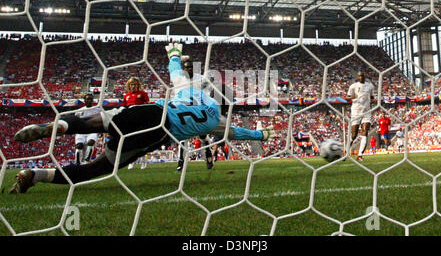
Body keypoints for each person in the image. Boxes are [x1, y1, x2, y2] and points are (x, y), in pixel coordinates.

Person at [10, 43, 274, 194]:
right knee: (99, 167)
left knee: (98, 121)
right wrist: (260, 135)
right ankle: (35, 175)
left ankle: (60, 125)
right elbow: (236, 133)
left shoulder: (189, 90)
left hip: (152, 112)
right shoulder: (215, 120)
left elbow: (176, 73)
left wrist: (173, 54)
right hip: (159, 132)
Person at [344, 70, 375, 161]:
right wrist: (351, 98)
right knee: (354, 134)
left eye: (362, 76)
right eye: (359, 76)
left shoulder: (370, 86)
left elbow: (372, 98)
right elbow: (347, 98)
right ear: (358, 77)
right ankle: (346, 151)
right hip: (356, 111)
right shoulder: (353, 86)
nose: (361, 77)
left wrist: (374, 101)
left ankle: (360, 155)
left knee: (365, 132)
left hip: (366, 112)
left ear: (365, 77)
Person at [122, 77, 150, 170]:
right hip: (130, 120)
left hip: (140, 119)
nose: (133, 86)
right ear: (129, 86)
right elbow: (124, 109)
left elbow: (147, 105)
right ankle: (131, 161)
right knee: (131, 141)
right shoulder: (126, 96)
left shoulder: (143, 94)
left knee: (142, 141)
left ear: (138, 85)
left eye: (135, 84)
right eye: (131, 84)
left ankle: (143, 161)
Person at [74, 94, 101, 165]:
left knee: (91, 142)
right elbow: (75, 122)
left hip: (92, 131)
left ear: (92, 100)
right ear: (84, 101)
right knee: (79, 146)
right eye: (87, 99)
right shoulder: (79, 111)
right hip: (81, 132)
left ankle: (87, 160)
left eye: (90, 99)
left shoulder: (98, 110)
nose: (89, 100)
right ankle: (77, 162)